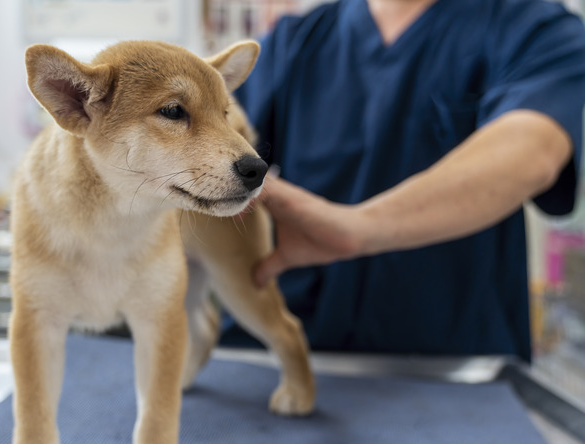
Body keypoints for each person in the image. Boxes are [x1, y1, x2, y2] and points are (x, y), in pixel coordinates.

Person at [221, 0, 585, 361]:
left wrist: (356, 228)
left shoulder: (533, 29)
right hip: (286, 352)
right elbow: (210, 141)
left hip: (453, 364)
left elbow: (531, 151)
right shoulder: (293, 43)